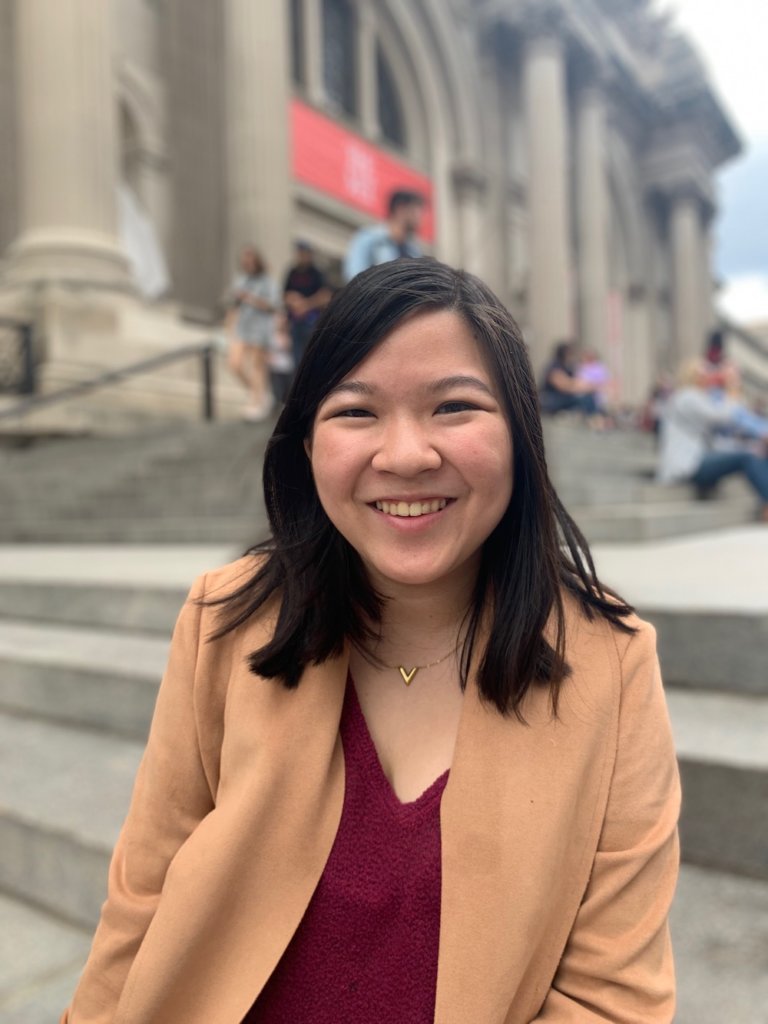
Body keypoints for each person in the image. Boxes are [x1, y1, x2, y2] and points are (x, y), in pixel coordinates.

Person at [62, 260, 680, 1024]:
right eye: (356, 412)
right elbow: (139, 907)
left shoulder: (612, 663)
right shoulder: (221, 624)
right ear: (307, 442)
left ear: (521, 435)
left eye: (454, 406)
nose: (406, 455)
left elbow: (613, 998)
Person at [657, 359, 768, 520]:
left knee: (754, 454)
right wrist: (732, 388)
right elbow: (721, 416)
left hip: (701, 458)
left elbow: (735, 420)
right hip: (690, 464)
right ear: (694, 376)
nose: (711, 376)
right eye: (706, 373)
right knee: (747, 458)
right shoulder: (687, 396)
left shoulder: (701, 398)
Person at [226, 245, 280, 420]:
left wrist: (251, 298)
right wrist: (229, 325)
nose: (247, 264)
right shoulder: (241, 280)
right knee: (235, 364)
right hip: (242, 327)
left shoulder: (267, 282)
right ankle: (259, 394)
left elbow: (273, 305)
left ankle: (257, 401)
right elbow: (234, 305)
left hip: (259, 329)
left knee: (257, 366)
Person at [343, 188, 426, 282]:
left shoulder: (414, 252)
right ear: (401, 209)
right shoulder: (369, 238)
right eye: (416, 211)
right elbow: (354, 277)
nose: (420, 218)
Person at [283, 240, 331, 367]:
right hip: (295, 322)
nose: (301, 255)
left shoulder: (317, 273)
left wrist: (306, 304)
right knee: (296, 361)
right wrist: (293, 300)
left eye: (304, 252)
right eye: (299, 252)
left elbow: (325, 296)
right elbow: (285, 294)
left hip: (311, 321)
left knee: (310, 359)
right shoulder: (292, 272)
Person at [539, 340, 602, 423]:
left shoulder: (568, 367)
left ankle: (596, 418)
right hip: (551, 399)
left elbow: (576, 381)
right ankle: (594, 419)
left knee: (588, 398)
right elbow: (565, 386)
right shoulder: (554, 366)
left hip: (563, 397)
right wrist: (586, 388)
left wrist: (587, 387)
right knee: (583, 398)